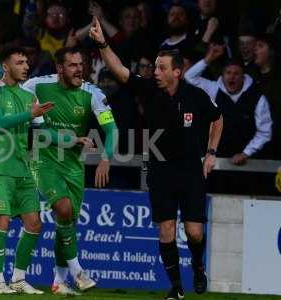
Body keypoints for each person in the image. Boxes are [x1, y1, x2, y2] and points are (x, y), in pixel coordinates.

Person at [89, 17, 223, 300]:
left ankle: (198, 267)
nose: (156, 71)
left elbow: (218, 118)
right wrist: (102, 43)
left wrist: (210, 154)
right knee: (166, 232)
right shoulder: (148, 90)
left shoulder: (196, 96)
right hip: (160, 169)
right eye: (155, 67)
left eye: (162, 68)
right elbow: (119, 69)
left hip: (190, 170)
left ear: (177, 71)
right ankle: (176, 288)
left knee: (195, 233)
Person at [22, 47, 118, 295]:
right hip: (43, 160)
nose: (79, 69)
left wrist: (106, 158)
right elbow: (12, 93)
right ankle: (78, 273)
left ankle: (58, 282)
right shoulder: (37, 86)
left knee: (67, 222)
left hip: (74, 166)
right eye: (73, 65)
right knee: (63, 209)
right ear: (60, 68)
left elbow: (112, 130)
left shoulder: (92, 93)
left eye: (81, 64)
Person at [0, 44, 54, 294]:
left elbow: (42, 132)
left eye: (26, 62)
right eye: (20, 62)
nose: (25, 66)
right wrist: (28, 114)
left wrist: (73, 139)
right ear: (5, 66)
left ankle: (19, 280)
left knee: (34, 223)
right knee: (2, 221)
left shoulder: (29, 96)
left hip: (25, 168)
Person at [185, 43, 272, 164]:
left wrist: (246, 153)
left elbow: (265, 131)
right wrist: (209, 58)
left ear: (243, 76)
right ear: (223, 74)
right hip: (217, 162)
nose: (232, 77)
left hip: (249, 163)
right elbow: (189, 77)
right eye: (228, 73)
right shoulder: (214, 89)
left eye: (236, 73)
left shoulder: (257, 98)